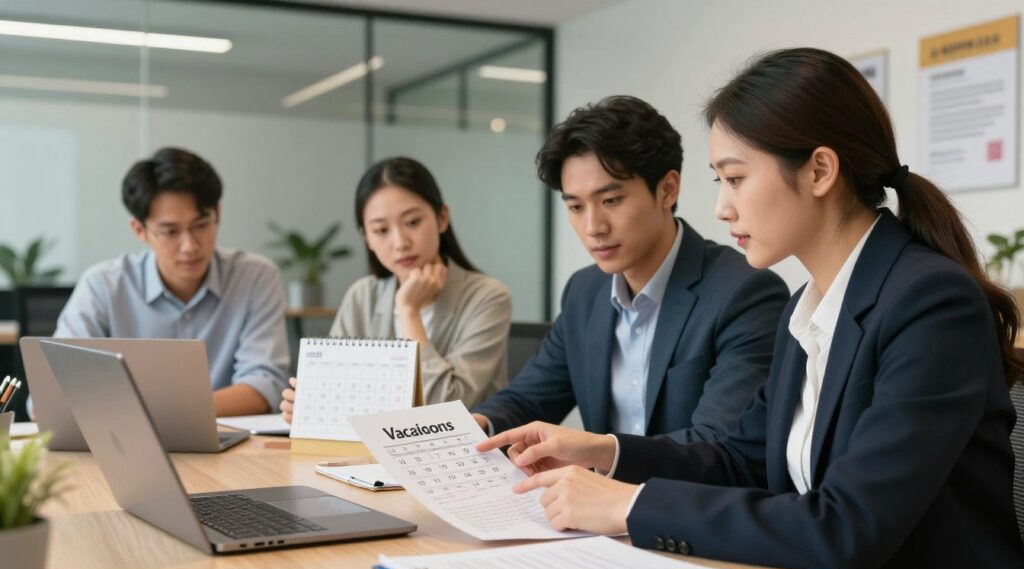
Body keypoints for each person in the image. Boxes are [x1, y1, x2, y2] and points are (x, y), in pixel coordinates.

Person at [477, 49, 1024, 569]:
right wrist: (608, 452)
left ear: (819, 170)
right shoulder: (807, 307)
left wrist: (631, 505)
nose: (721, 208)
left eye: (735, 178)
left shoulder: (930, 303)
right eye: (719, 182)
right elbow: (742, 462)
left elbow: (849, 526)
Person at [470, 95, 789, 444]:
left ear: (667, 189)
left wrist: (603, 456)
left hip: (683, 497)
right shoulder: (585, 291)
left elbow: (719, 443)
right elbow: (528, 399)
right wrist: (477, 427)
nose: (593, 227)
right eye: (576, 206)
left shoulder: (744, 292)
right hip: (592, 495)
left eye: (610, 201)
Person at [54, 147, 289, 416]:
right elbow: (57, 389)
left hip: (229, 444)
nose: (189, 246)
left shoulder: (255, 277)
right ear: (140, 230)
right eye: (170, 231)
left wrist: (156, 414)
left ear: (218, 215)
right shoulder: (103, 285)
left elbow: (265, 383)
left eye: (201, 225)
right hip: (125, 443)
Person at [280, 157, 511, 420]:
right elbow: (335, 397)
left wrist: (408, 310)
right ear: (366, 238)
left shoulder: (487, 296)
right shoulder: (362, 296)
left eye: (412, 222)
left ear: (442, 218)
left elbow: (443, 409)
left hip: (458, 455)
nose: (400, 242)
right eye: (381, 230)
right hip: (367, 456)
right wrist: (308, 406)